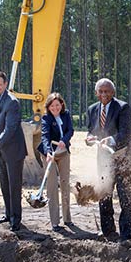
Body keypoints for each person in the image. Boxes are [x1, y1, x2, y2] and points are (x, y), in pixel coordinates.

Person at [86, 78, 131, 242]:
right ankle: (108, 231)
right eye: (101, 91)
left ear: (113, 92)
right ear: (96, 93)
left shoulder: (122, 108)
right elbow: (92, 131)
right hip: (104, 160)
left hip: (125, 158)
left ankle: (126, 235)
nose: (104, 94)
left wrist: (110, 140)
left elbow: (125, 134)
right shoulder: (92, 109)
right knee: (104, 195)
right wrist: (89, 138)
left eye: (107, 91)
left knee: (126, 198)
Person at [0, 70, 27, 232]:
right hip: (2, 149)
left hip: (14, 150)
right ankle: (8, 214)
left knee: (14, 186)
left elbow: (10, 128)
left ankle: (16, 219)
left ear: (6, 84)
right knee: (4, 184)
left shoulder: (12, 102)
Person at [38, 92, 75, 231]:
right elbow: (45, 136)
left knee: (65, 183)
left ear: (61, 105)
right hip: (50, 154)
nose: (55, 108)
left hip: (63, 152)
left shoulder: (66, 115)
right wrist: (48, 151)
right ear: (48, 106)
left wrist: (63, 141)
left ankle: (68, 219)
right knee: (52, 186)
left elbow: (70, 130)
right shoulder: (46, 118)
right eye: (52, 106)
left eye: (57, 105)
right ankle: (55, 222)